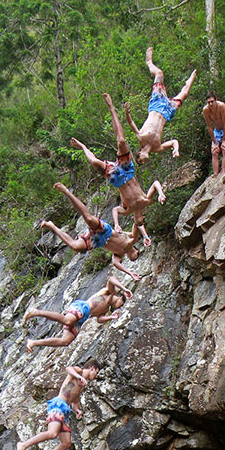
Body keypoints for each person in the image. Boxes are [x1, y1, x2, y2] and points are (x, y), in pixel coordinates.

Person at [71, 98, 166, 246]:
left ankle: (82, 146)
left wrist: (116, 224)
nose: (138, 221)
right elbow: (155, 183)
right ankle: (111, 108)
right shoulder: (146, 201)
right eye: (140, 222)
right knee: (121, 141)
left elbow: (115, 210)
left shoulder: (127, 211)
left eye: (137, 223)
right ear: (142, 217)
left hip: (116, 179)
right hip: (128, 172)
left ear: (134, 220)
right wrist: (160, 193)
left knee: (95, 162)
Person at [41, 182, 141, 281]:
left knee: (75, 246)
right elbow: (137, 225)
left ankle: (52, 226)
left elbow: (116, 264)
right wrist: (142, 229)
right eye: (136, 257)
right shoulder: (130, 241)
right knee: (88, 218)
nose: (134, 259)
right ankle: (66, 192)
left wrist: (130, 273)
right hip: (105, 231)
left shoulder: (119, 255)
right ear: (136, 250)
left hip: (96, 241)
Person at [15, 361, 100, 450]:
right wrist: (79, 376)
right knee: (52, 433)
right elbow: (68, 368)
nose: (96, 376)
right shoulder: (79, 371)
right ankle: (23, 444)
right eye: (97, 372)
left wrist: (77, 410)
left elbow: (75, 400)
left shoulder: (83, 385)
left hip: (65, 411)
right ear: (92, 368)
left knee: (66, 443)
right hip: (58, 405)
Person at [124, 47, 196, 164]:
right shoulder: (157, 148)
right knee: (185, 94)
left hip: (156, 105)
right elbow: (173, 142)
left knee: (159, 73)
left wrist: (127, 113)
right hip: (167, 112)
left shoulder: (141, 138)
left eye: (140, 161)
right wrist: (176, 150)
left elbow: (131, 123)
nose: (143, 162)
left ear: (139, 154)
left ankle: (149, 62)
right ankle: (192, 77)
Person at [23, 275, 133, 352]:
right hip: (82, 307)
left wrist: (111, 317)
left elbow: (99, 319)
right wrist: (124, 289)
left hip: (82, 319)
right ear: (119, 297)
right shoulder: (109, 292)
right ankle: (36, 312)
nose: (120, 306)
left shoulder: (106, 309)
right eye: (121, 304)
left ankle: (33, 342)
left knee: (65, 341)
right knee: (67, 320)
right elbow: (111, 279)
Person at [203, 92, 225, 175]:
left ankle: (223, 172)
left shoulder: (221, 106)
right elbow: (209, 126)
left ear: (216, 100)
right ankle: (215, 174)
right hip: (217, 131)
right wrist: (215, 142)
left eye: (212, 101)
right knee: (214, 151)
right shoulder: (206, 110)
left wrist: (224, 140)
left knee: (224, 148)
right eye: (208, 102)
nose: (210, 104)